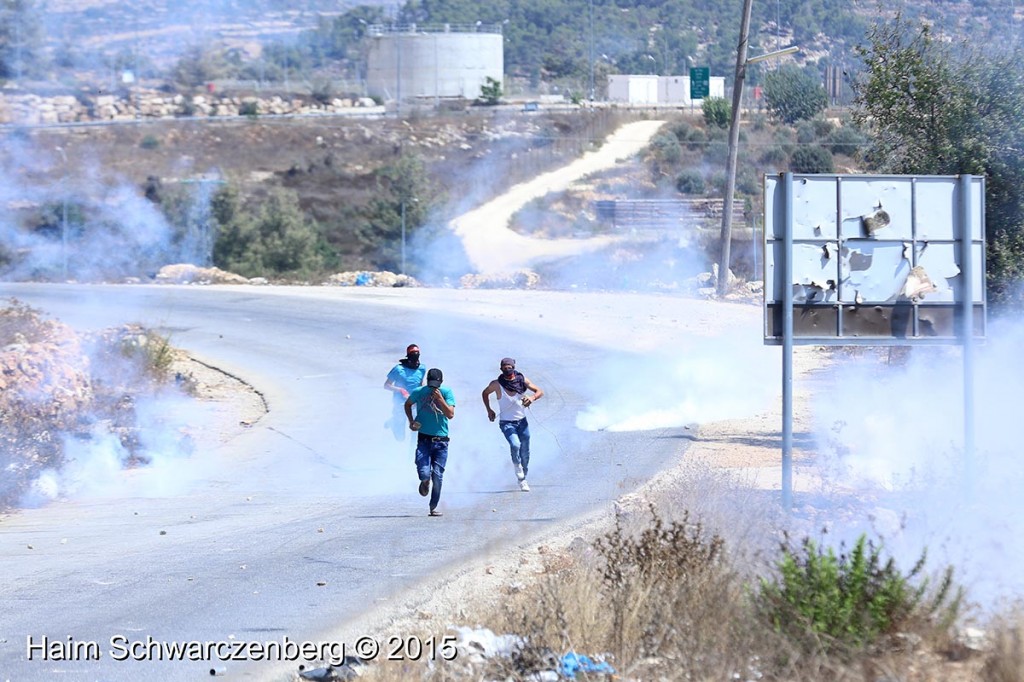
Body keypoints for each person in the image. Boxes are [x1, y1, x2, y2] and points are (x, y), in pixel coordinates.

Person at [481, 357, 544, 492]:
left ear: (514, 367)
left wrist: (532, 398)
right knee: (515, 444)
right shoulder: (497, 384)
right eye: (505, 367)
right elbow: (485, 393)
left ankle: (524, 476)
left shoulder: (522, 380)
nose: (508, 369)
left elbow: (539, 391)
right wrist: (489, 410)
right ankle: (519, 474)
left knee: (525, 452)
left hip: (522, 422)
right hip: (506, 423)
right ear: (501, 369)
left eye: (510, 367)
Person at [404, 368, 456, 517]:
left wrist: (440, 399)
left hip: (441, 441)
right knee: (424, 472)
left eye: (436, 384)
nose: (433, 387)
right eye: (431, 384)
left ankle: (433, 506)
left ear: (441, 382)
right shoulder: (419, 392)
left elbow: (450, 414)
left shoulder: (446, 392)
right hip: (424, 439)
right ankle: (425, 481)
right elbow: (408, 404)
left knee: (438, 475)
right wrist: (411, 421)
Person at [384, 344, 426, 442]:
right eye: (413, 353)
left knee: (415, 432)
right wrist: (401, 390)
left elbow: (420, 382)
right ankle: (393, 422)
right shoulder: (398, 369)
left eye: (417, 353)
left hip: (415, 404)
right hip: (400, 404)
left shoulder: (422, 368)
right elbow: (386, 385)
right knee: (400, 438)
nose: (415, 355)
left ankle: (412, 453)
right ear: (408, 355)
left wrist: (424, 392)